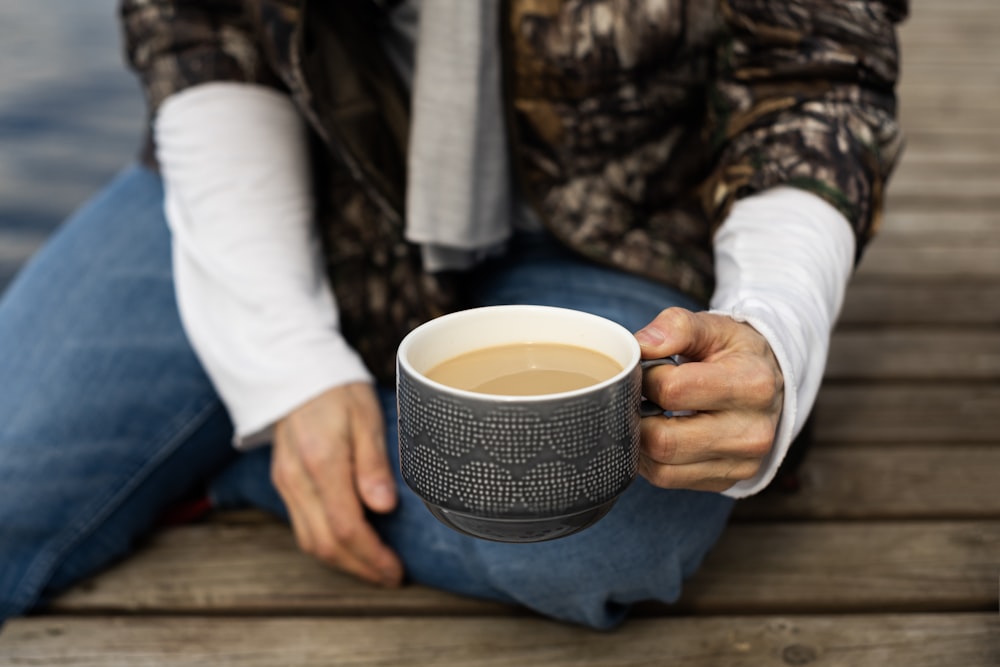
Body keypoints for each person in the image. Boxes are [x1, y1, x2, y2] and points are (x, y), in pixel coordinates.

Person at [0, 0, 905, 629]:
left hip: (617, 222)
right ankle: (288, 435)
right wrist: (283, 365)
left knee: (612, 530)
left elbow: (813, 70)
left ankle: (241, 463)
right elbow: (203, 26)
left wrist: (774, 327)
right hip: (287, 168)